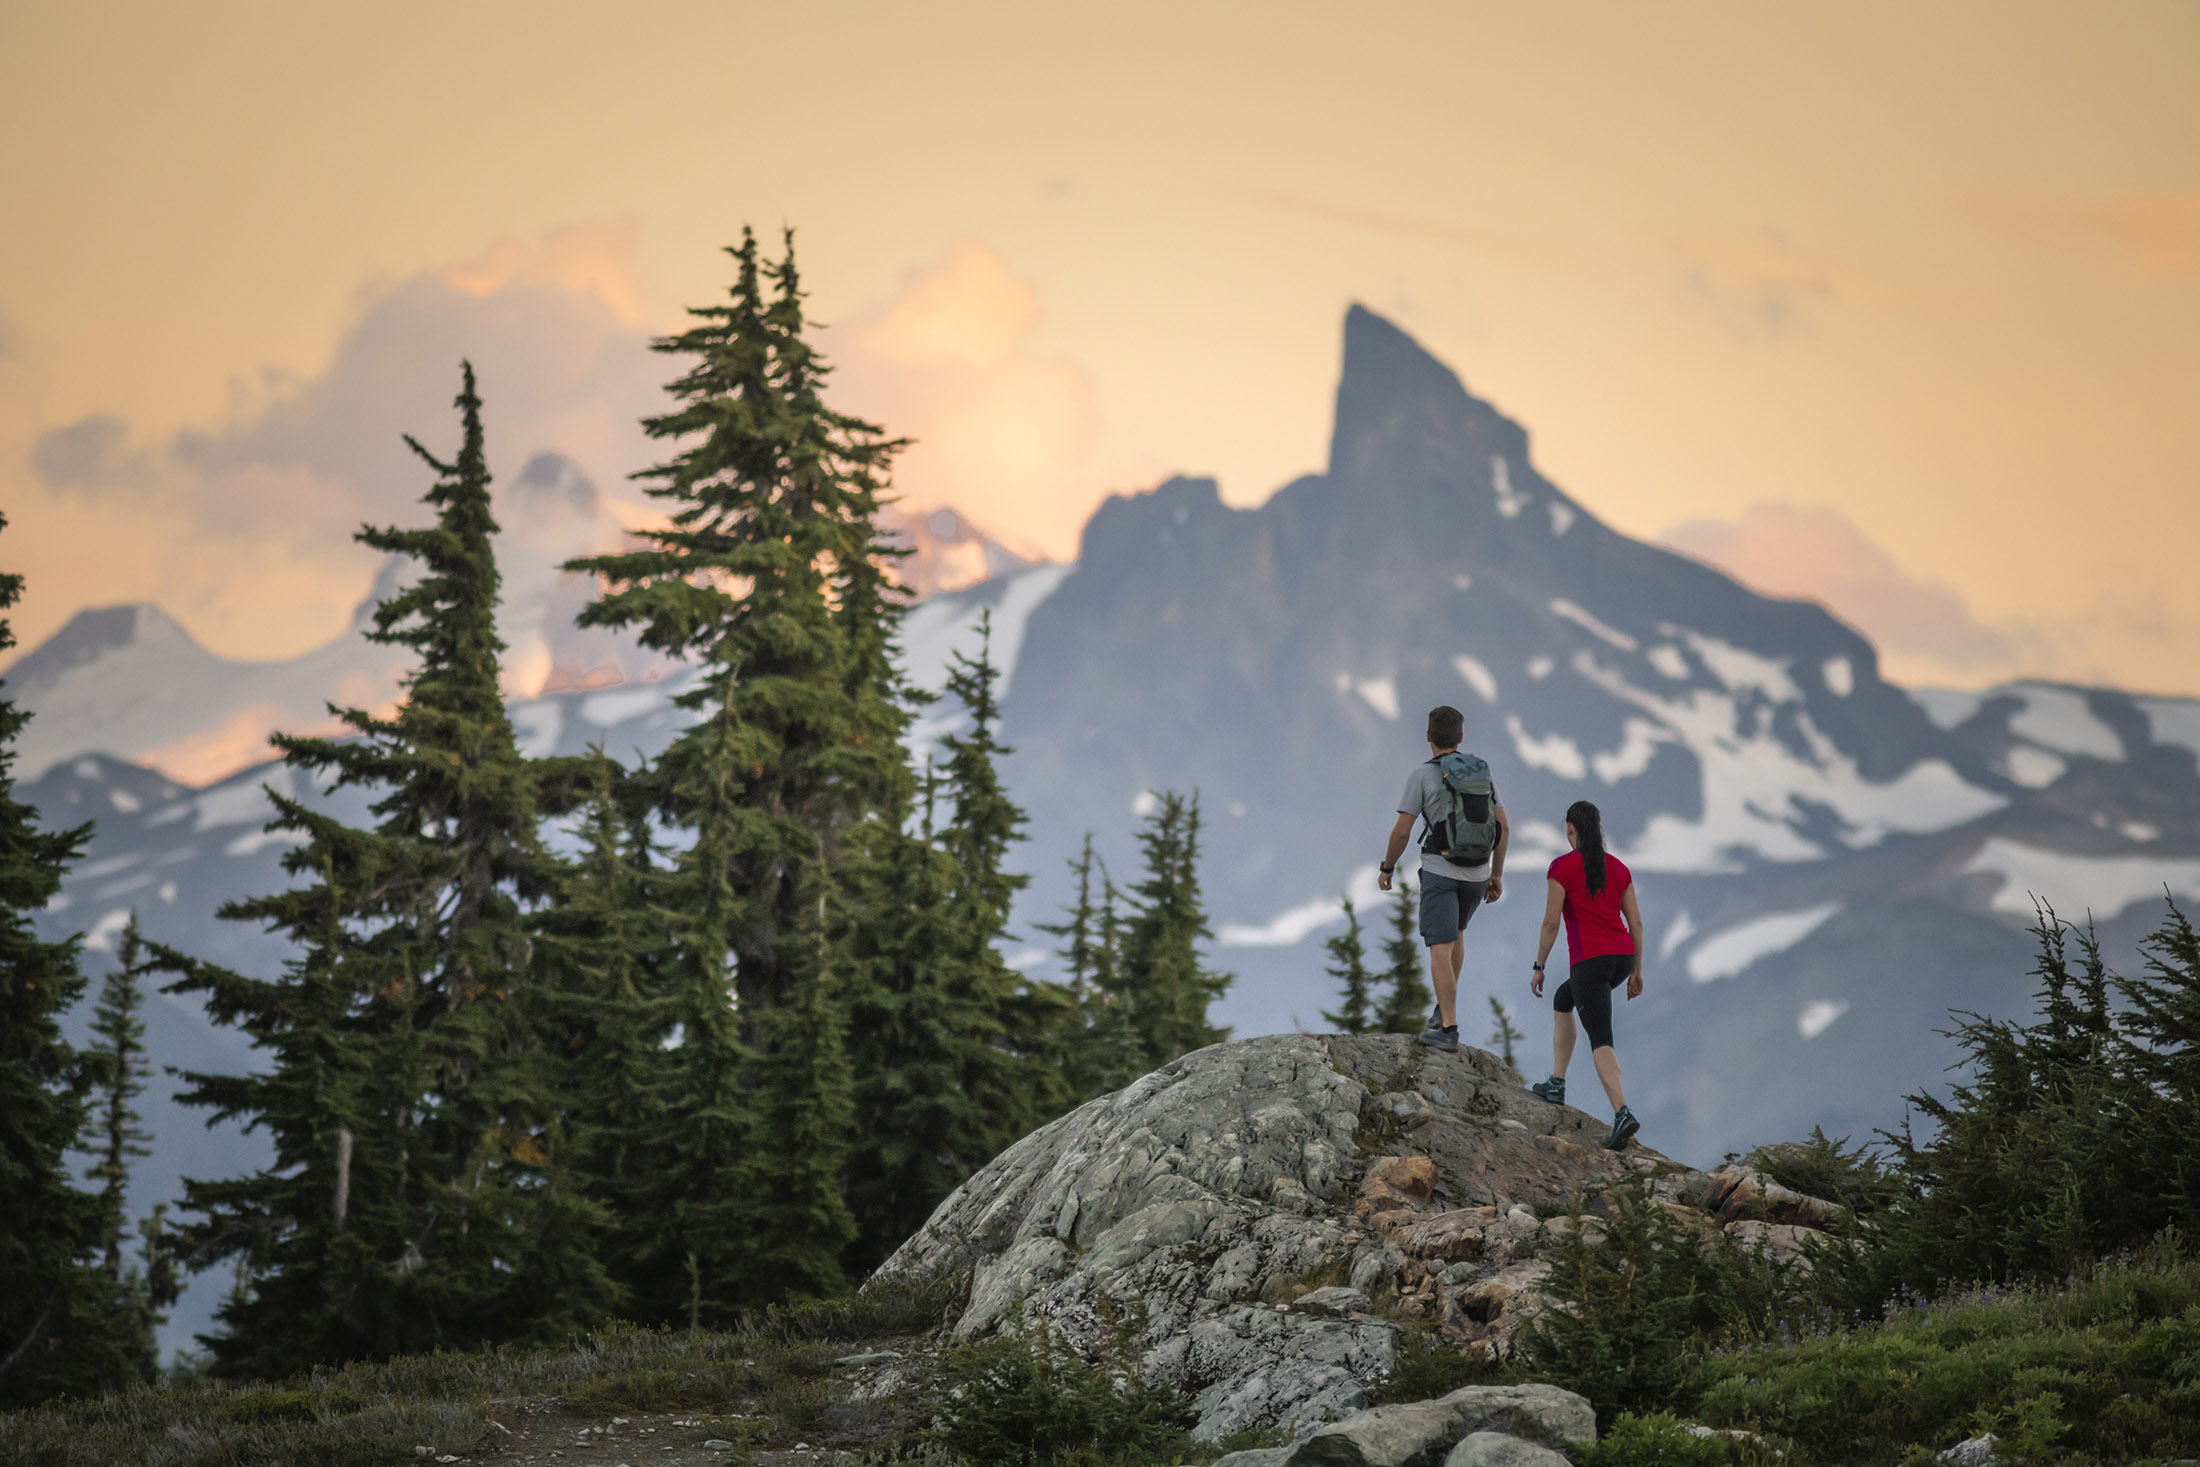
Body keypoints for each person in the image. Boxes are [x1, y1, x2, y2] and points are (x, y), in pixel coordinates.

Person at [1378, 704, 1509, 1053]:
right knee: (1456, 934)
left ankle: (1448, 1028)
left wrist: (1388, 866)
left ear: (1428, 736)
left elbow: (1403, 831)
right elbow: (1503, 826)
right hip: (1477, 874)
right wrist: (1495, 874)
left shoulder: (1422, 775)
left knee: (1439, 944)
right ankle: (1443, 1006)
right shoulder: (1482, 773)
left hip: (1441, 871)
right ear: (1461, 736)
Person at [1528, 799, 1645, 1149]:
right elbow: (1635, 923)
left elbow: (1551, 923)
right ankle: (1557, 1082)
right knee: (1564, 998)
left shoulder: (1561, 868)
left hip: (1591, 961)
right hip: (1622, 957)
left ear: (1570, 830)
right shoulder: (1619, 868)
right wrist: (1637, 970)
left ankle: (1622, 1111)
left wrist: (1539, 966)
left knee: (1600, 1037)